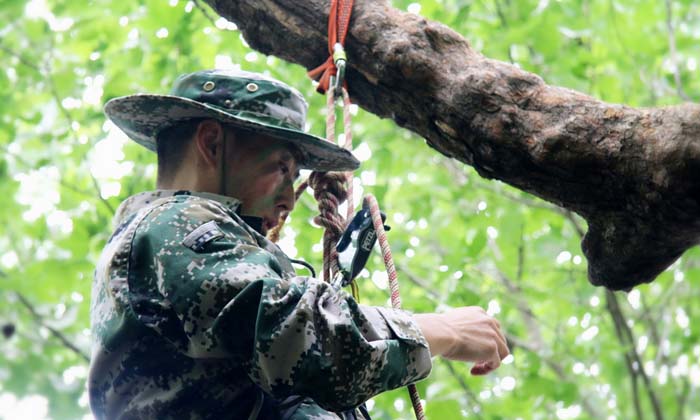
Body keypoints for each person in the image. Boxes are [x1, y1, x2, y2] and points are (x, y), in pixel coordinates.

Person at [88, 69, 509, 419]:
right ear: (213, 144)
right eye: (283, 168)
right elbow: (299, 338)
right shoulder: (174, 224)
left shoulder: (166, 236)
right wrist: (443, 331)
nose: (291, 196)